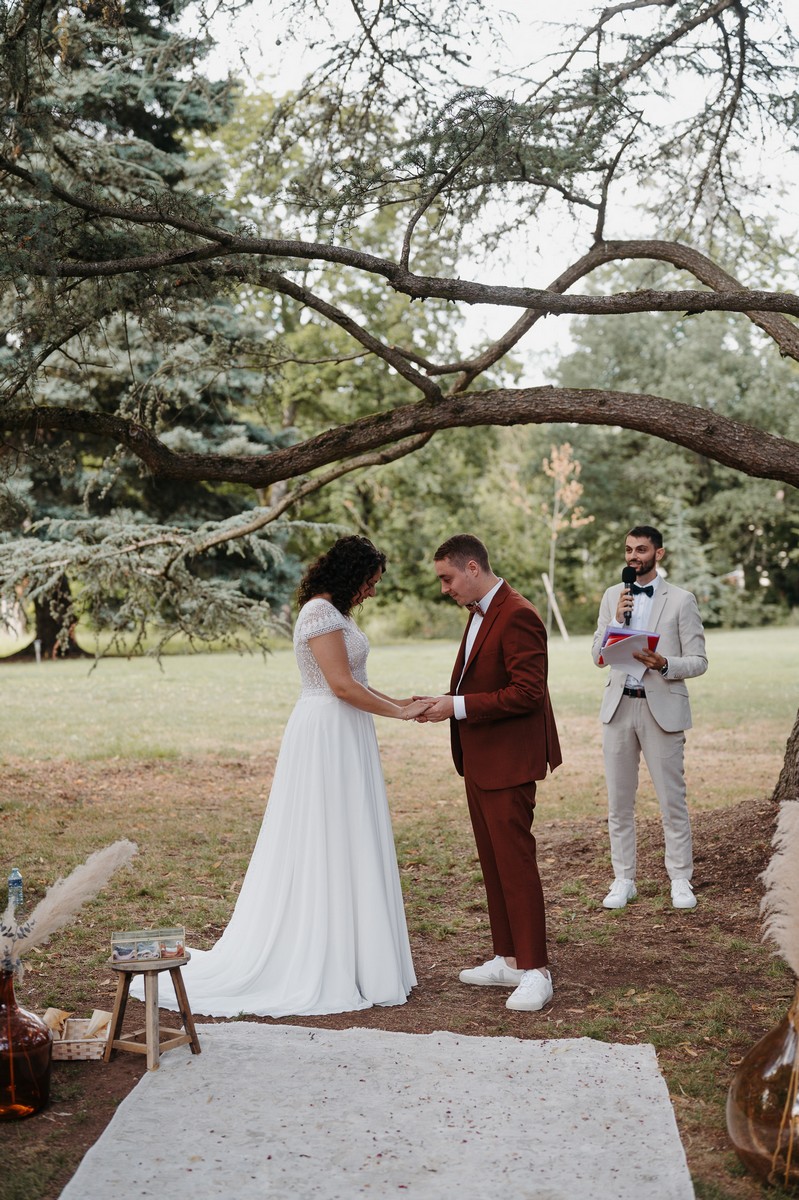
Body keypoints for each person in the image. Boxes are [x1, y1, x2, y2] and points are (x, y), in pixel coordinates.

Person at [133, 535, 426, 1017]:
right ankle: (319, 950)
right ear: (351, 574)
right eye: (370, 582)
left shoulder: (338, 615)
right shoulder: (318, 613)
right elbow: (340, 686)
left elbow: (359, 685)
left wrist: (404, 705)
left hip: (347, 729)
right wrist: (397, 715)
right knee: (323, 835)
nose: (372, 591)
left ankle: (357, 951)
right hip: (326, 732)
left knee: (351, 834)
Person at [418, 534, 562, 1012]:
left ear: (473, 567)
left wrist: (454, 706)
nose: (445, 588)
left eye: (447, 578)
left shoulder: (518, 613)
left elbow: (528, 693)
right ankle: (508, 957)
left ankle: (536, 970)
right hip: (480, 760)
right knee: (494, 863)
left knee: (516, 866)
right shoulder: (481, 612)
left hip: (509, 762)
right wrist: (444, 701)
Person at [592, 525, 708, 912]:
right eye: (628, 550)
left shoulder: (681, 600)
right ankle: (624, 879)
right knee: (619, 803)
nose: (632, 557)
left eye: (640, 550)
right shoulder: (614, 596)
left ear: (658, 553)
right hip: (619, 707)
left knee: (672, 801)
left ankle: (680, 879)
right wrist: (616, 624)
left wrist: (666, 663)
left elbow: (699, 661)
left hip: (662, 709)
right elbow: (597, 652)